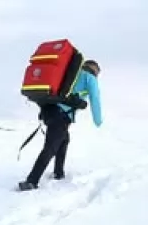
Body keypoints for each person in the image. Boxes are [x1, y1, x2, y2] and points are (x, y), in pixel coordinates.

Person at [18, 59, 102, 191]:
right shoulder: (90, 78)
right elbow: (95, 98)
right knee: (51, 147)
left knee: (64, 140)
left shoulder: (71, 73)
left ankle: (58, 172)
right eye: (98, 71)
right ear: (95, 69)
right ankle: (31, 181)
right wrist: (98, 121)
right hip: (61, 116)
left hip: (49, 110)